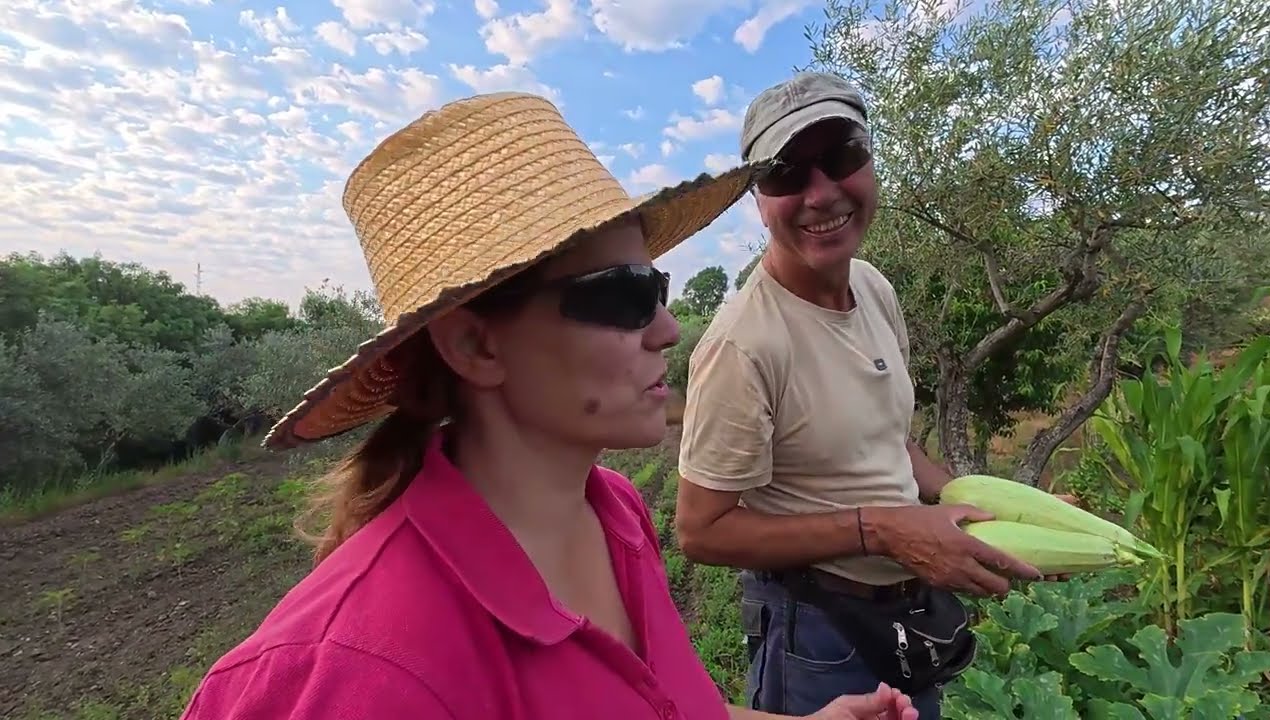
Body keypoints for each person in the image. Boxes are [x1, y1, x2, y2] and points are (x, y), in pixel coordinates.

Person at [177, 91, 918, 720]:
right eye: (623, 296)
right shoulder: (360, 671)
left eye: (657, 289)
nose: (667, 330)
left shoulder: (614, 514)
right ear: (476, 347)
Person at [672, 72, 1078, 719]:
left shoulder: (872, 287)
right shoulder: (743, 345)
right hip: (817, 635)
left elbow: (889, 442)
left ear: (869, 161)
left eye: (841, 155)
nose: (821, 193)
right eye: (786, 173)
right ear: (758, 197)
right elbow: (701, 532)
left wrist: (1003, 517)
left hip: (906, 620)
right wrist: (882, 530)